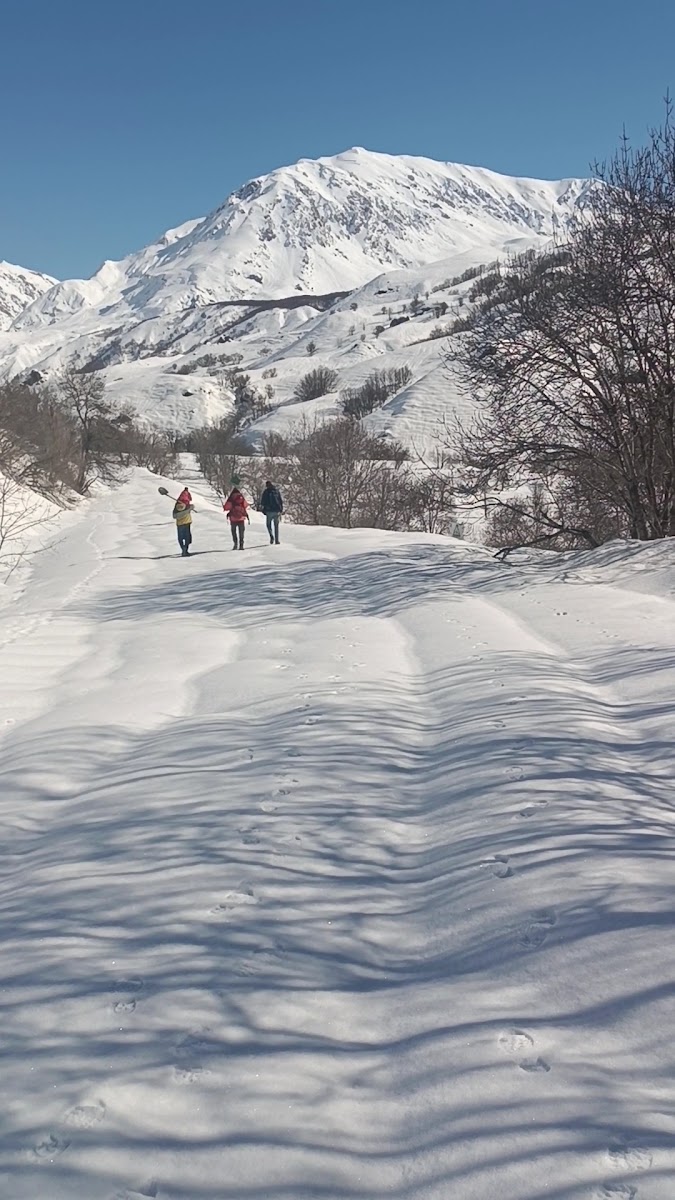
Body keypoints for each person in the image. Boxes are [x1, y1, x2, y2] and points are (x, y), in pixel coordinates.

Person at [259, 480, 284, 545]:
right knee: (276, 526)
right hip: (276, 511)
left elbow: (263, 502)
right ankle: (277, 540)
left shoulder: (266, 492)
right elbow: (280, 501)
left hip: (269, 511)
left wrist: (264, 510)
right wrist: (281, 509)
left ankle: (271, 536)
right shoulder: (276, 491)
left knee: (268, 525)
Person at [172, 488, 194, 556]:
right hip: (187, 522)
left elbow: (174, 515)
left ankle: (183, 549)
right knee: (187, 537)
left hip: (179, 524)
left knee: (181, 538)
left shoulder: (177, 504)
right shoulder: (187, 504)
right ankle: (185, 549)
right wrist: (190, 508)